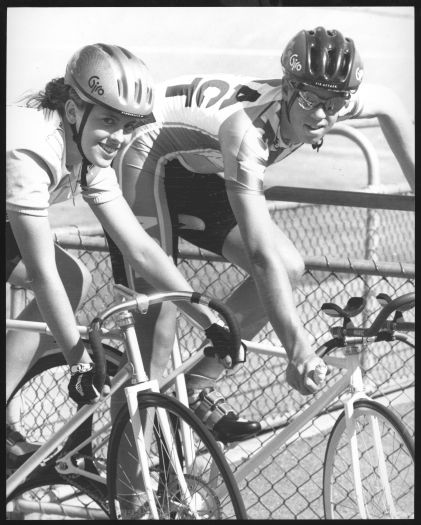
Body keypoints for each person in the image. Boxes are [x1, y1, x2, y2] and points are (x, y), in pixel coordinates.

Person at [112, 25, 414, 441]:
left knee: (289, 267)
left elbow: (393, 106)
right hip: (145, 155)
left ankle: (193, 389)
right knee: (156, 333)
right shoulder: (247, 131)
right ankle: (129, 494)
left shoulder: (330, 101)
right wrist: (297, 348)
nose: (323, 113)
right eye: (310, 99)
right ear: (288, 89)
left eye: (336, 101)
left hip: (197, 164)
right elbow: (258, 254)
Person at [6, 43, 244, 469]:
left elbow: (139, 247)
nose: (117, 136)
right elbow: (42, 274)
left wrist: (209, 320)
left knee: (75, 277)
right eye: (109, 121)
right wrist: (79, 361)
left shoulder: (90, 157)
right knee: (62, 277)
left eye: (127, 125)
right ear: (75, 110)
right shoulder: (32, 151)